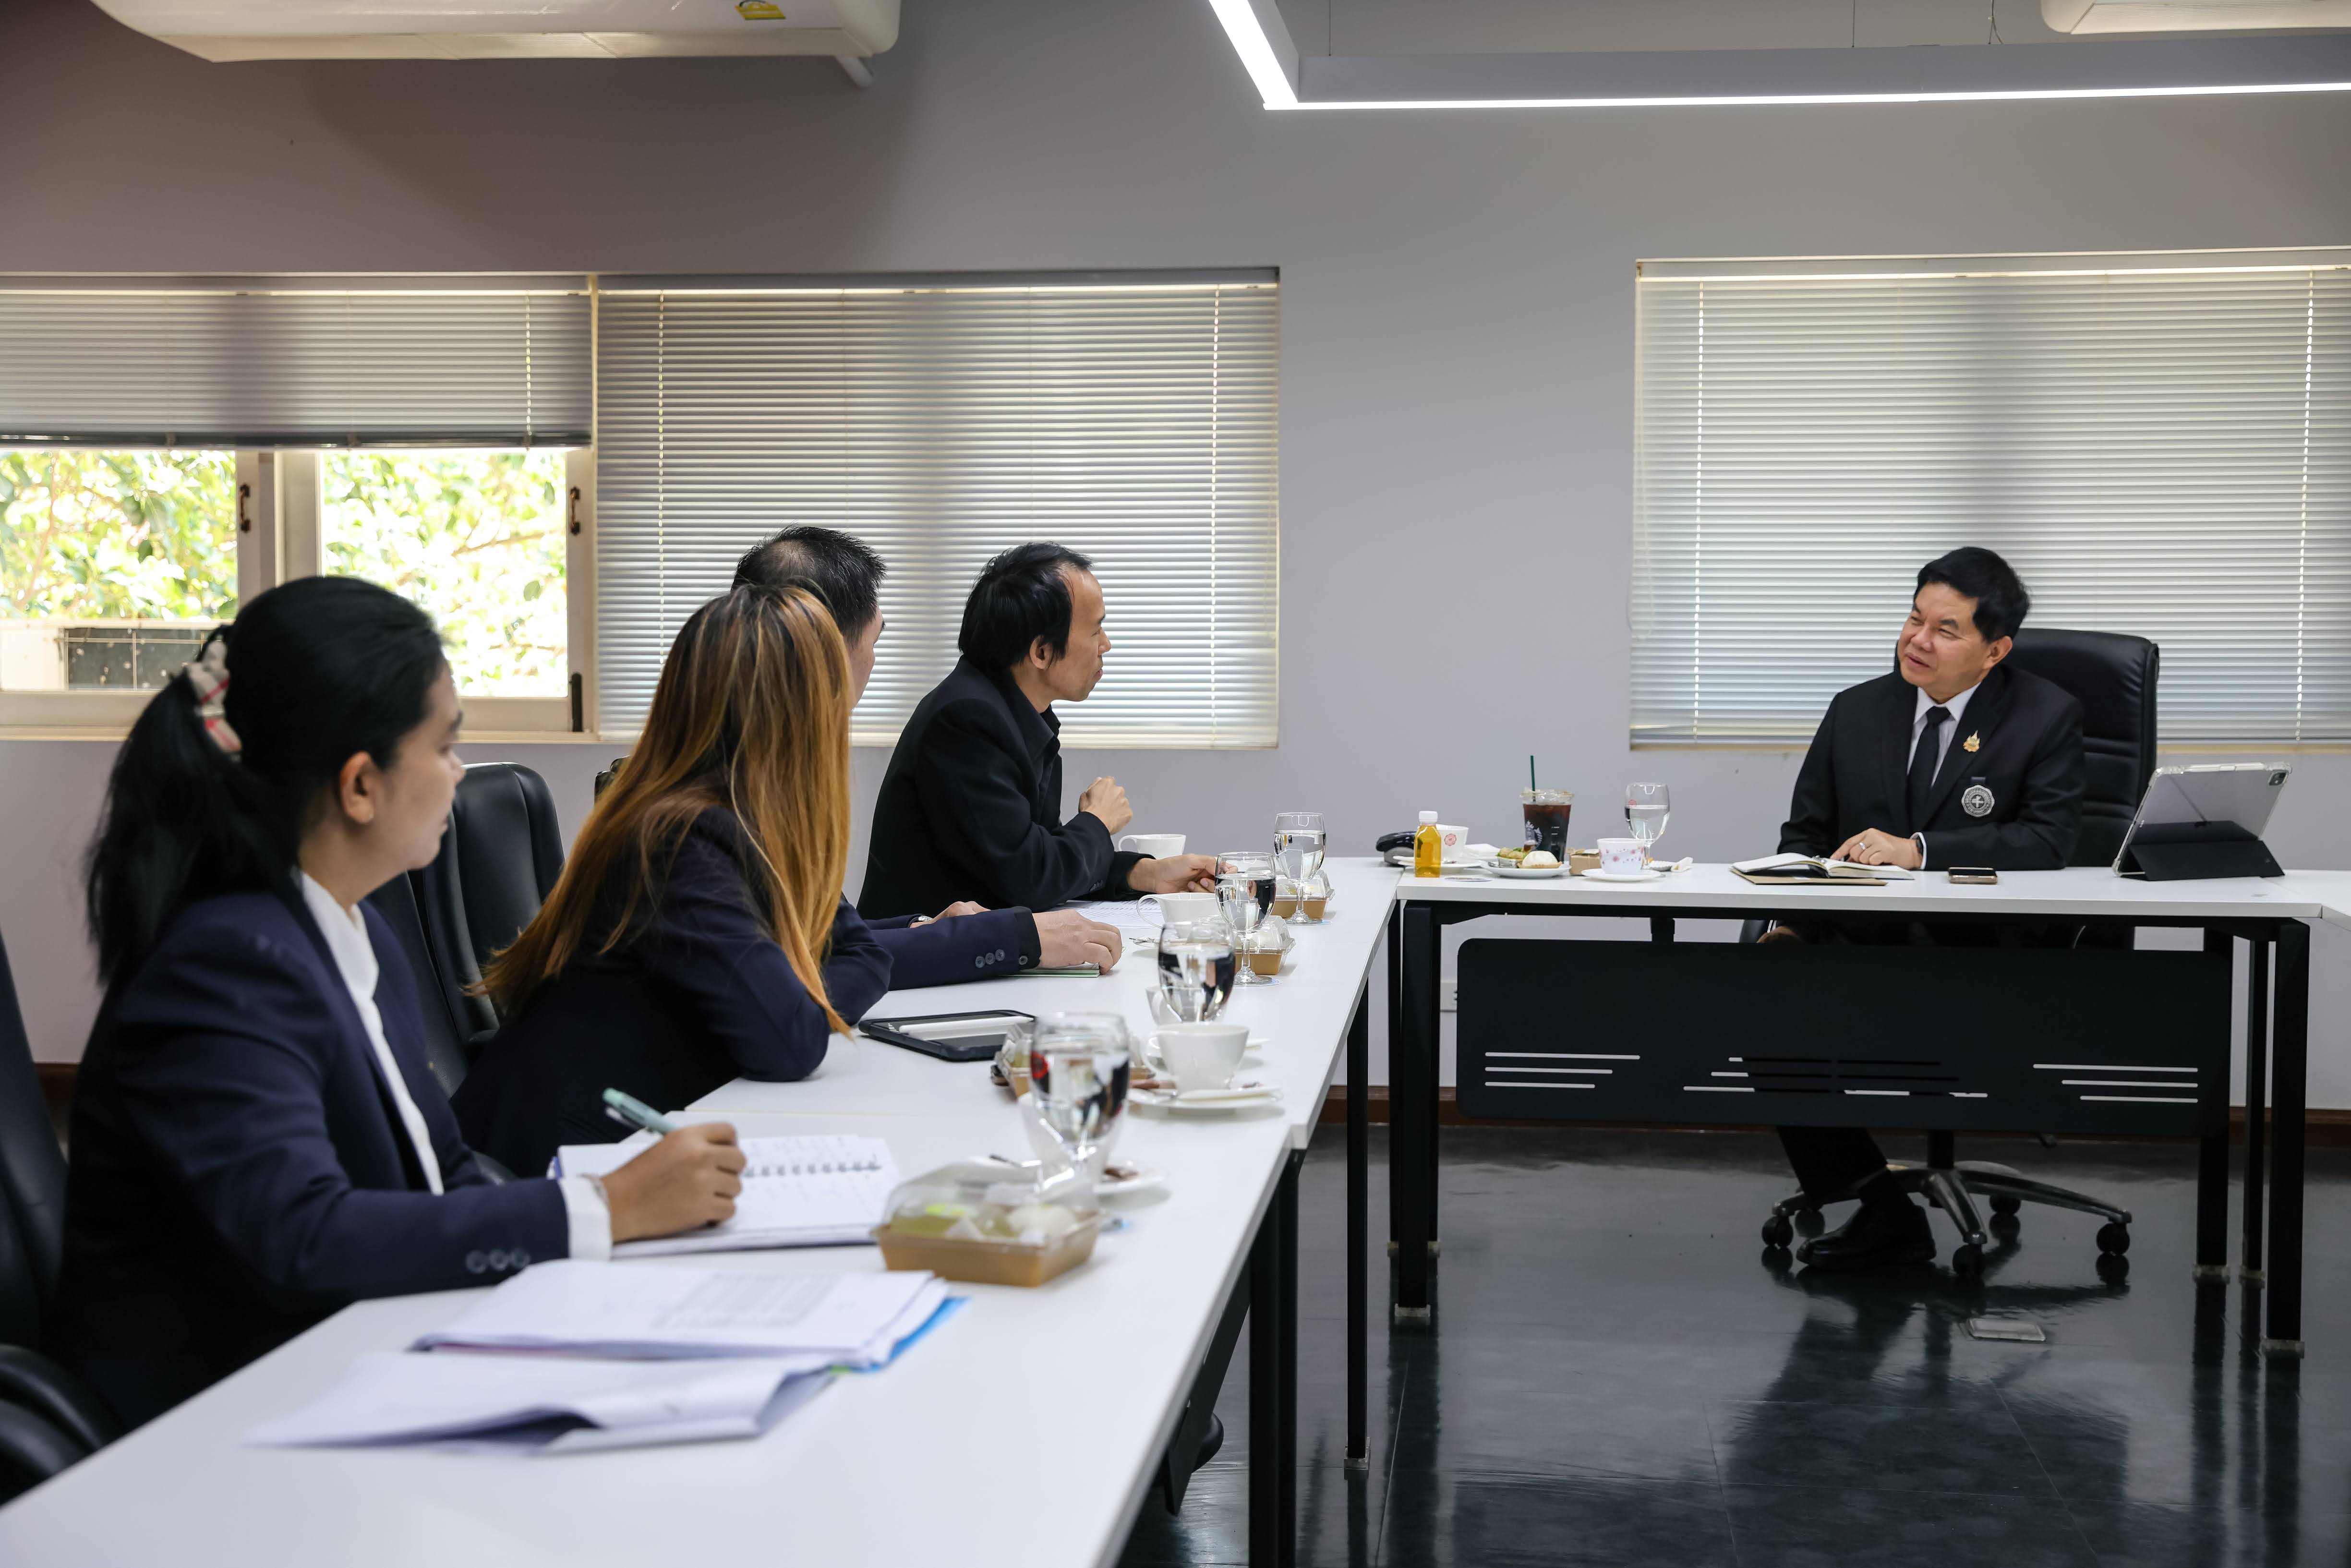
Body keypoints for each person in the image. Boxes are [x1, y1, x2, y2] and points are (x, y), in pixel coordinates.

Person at [57, 578, 745, 1428]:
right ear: (359, 785)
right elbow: (303, 1238)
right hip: (213, 1427)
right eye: (445, 745)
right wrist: (606, 1208)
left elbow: (441, 1172)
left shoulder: (355, 931)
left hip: (356, 1361)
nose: (458, 771)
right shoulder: (223, 963)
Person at [456, 586, 891, 1180]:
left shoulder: (732, 819)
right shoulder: (680, 840)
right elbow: (790, 1038)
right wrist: (830, 979)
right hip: (555, 1163)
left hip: (631, 1138)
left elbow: (850, 950)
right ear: (803, 715)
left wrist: (824, 978)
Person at [1770, 546, 2086, 1271]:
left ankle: (1881, 1209)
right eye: (1914, 618)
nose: (1917, 640)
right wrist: (1789, 923)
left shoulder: (2044, 715)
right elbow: (1804, 837)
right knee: (1759, 999)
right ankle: (1881, 1204)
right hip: (1860, 946)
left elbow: (2048, 840)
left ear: (1994, 651)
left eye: (1946, 630)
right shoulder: (1856, 709)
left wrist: (1920, 850)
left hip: (1978, 957)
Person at [731, 525, 1122, 976]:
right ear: (820, 647)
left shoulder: (767, 761)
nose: (872, 661)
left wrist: (923, 927)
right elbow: (807, 961)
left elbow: (824, 936)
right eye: (874, 640)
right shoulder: (967, 717)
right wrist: (1005, 936)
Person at [858, 542, 1219, 918]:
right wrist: (1097, 822)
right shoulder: (966, 720)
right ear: (1041, 652)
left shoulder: (1013, 712)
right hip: (919, 949)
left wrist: (1146, 874)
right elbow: (1031, 877)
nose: (1106, 645)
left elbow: (1043, 851)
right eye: (1095, 630)